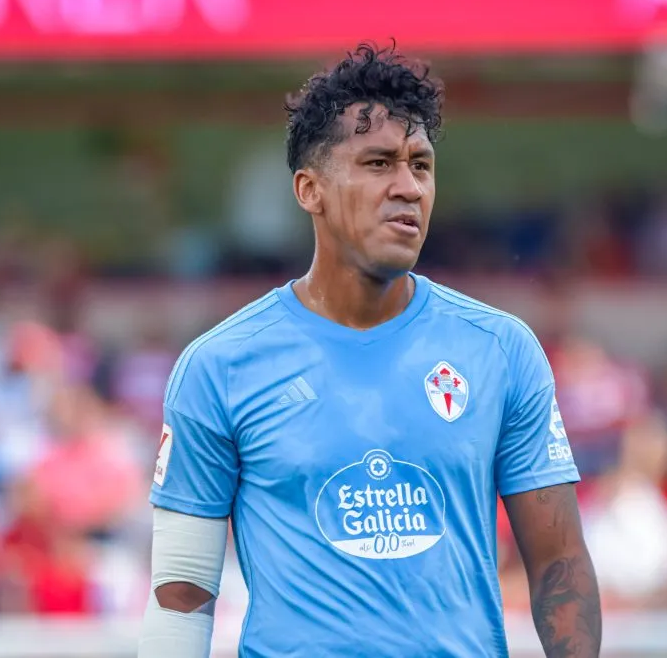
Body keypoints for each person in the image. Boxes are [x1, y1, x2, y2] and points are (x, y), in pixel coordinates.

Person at [139, 42, 601, 658]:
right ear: (310, 190)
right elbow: (182, 595)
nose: (408, 187)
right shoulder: (219, 367)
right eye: (379, 163)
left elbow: (559, 564)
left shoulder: (500, 350)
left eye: (421, 166)